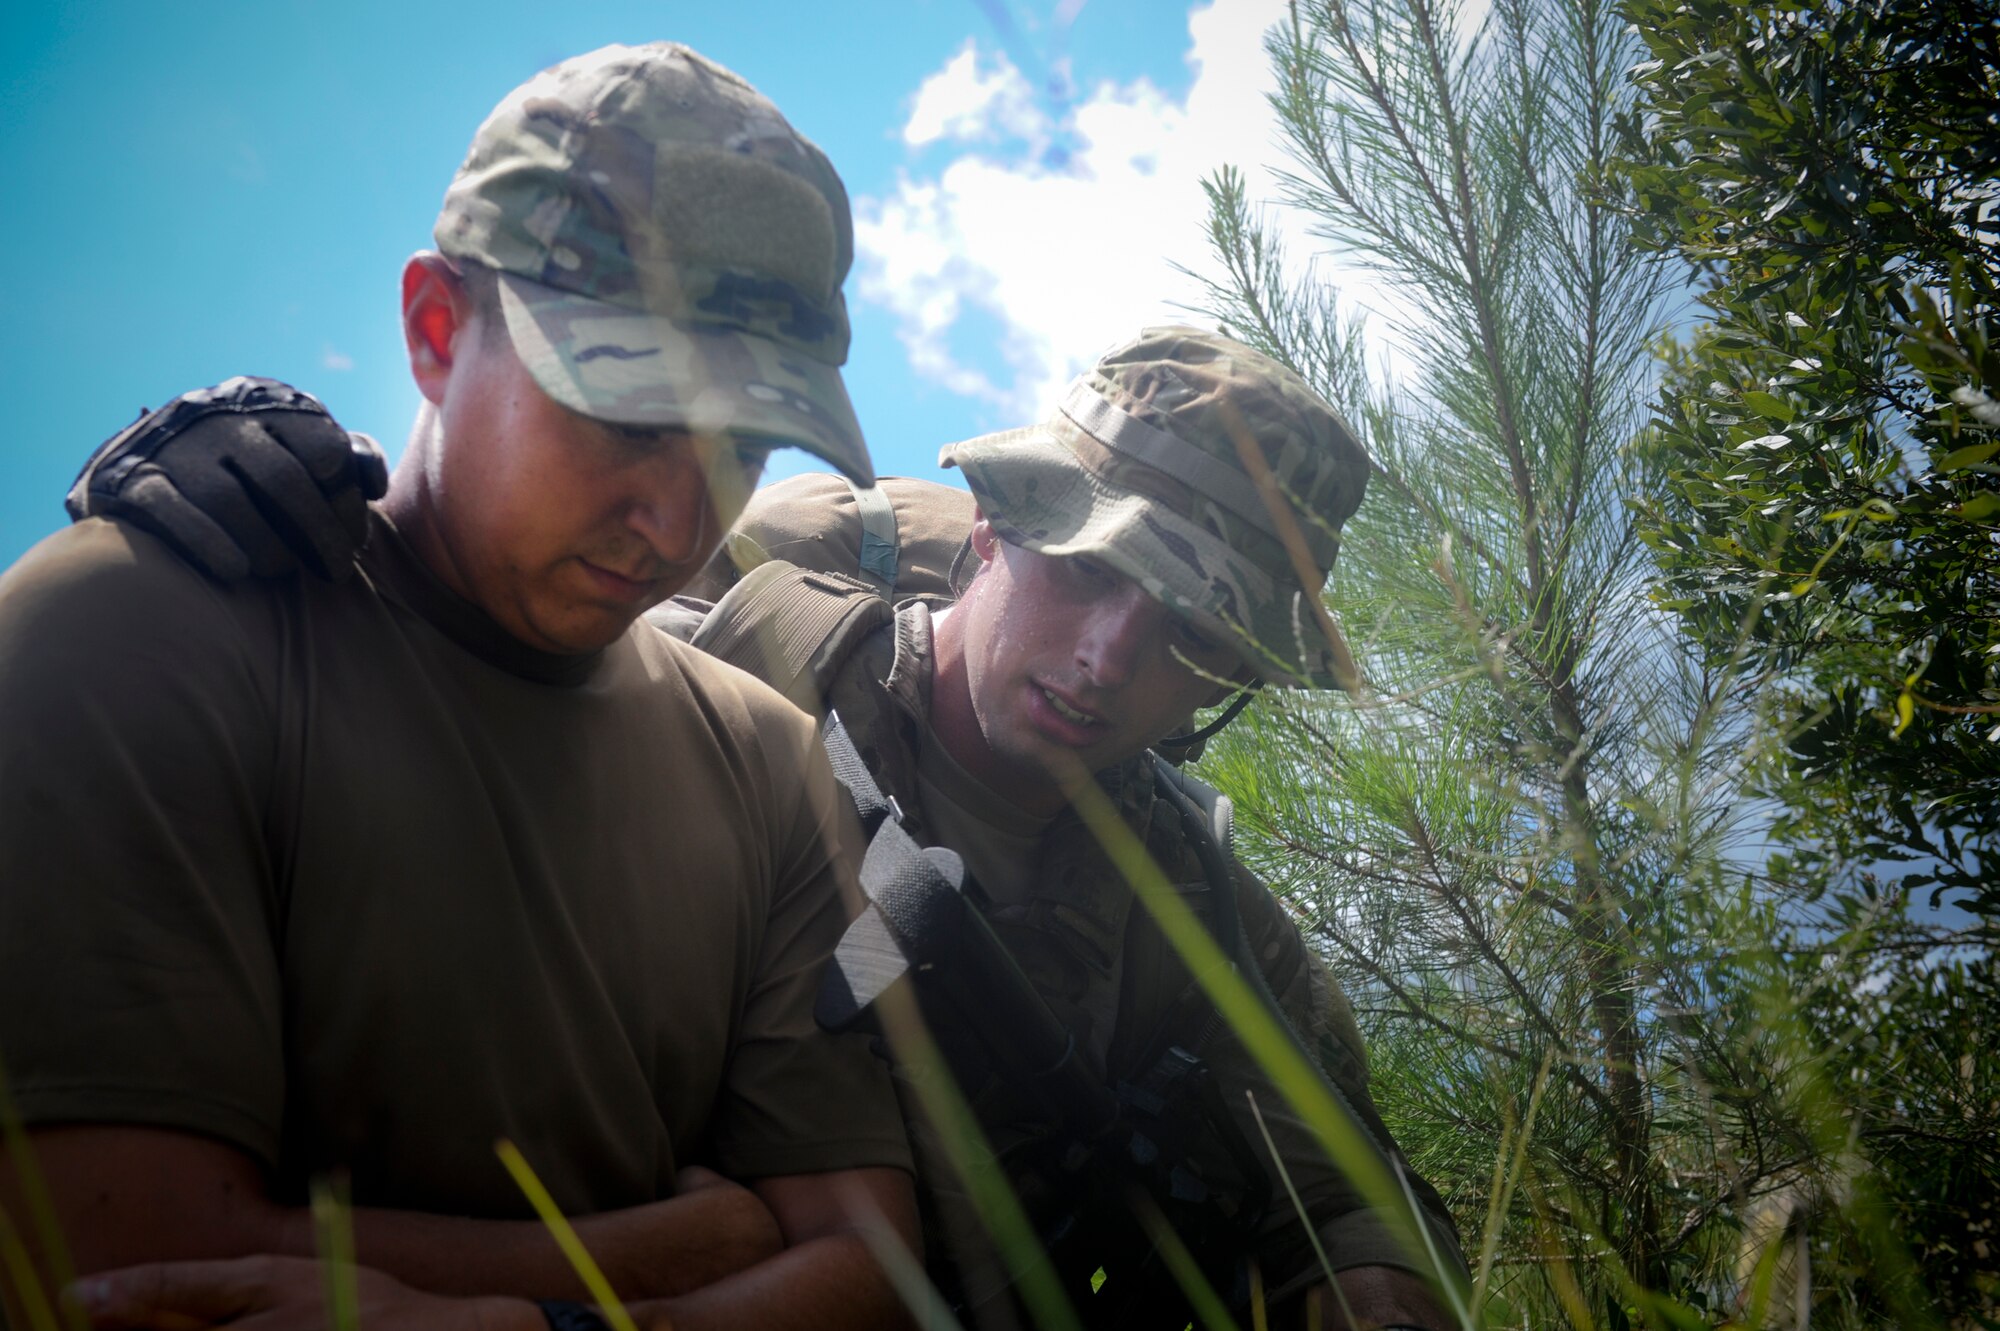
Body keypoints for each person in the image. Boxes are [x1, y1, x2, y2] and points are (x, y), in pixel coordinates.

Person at [64, 328, 1471, 1329]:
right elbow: (428, 683)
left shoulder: (1199, 910)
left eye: (1188, 640)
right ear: (996, 527)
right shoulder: (730, 659)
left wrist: (1376, 1292)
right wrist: (259, 507)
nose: (1109, 660)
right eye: (1094, 573)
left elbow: (1356, 1195)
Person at [0, 42, 922, 1331]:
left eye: (744, 446)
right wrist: (694, 1246)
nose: (674, 518)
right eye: (627, 410)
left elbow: (870, 1266)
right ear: (438, 330)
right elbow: (113, 1267)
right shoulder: (138, 627)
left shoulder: (769, 762)